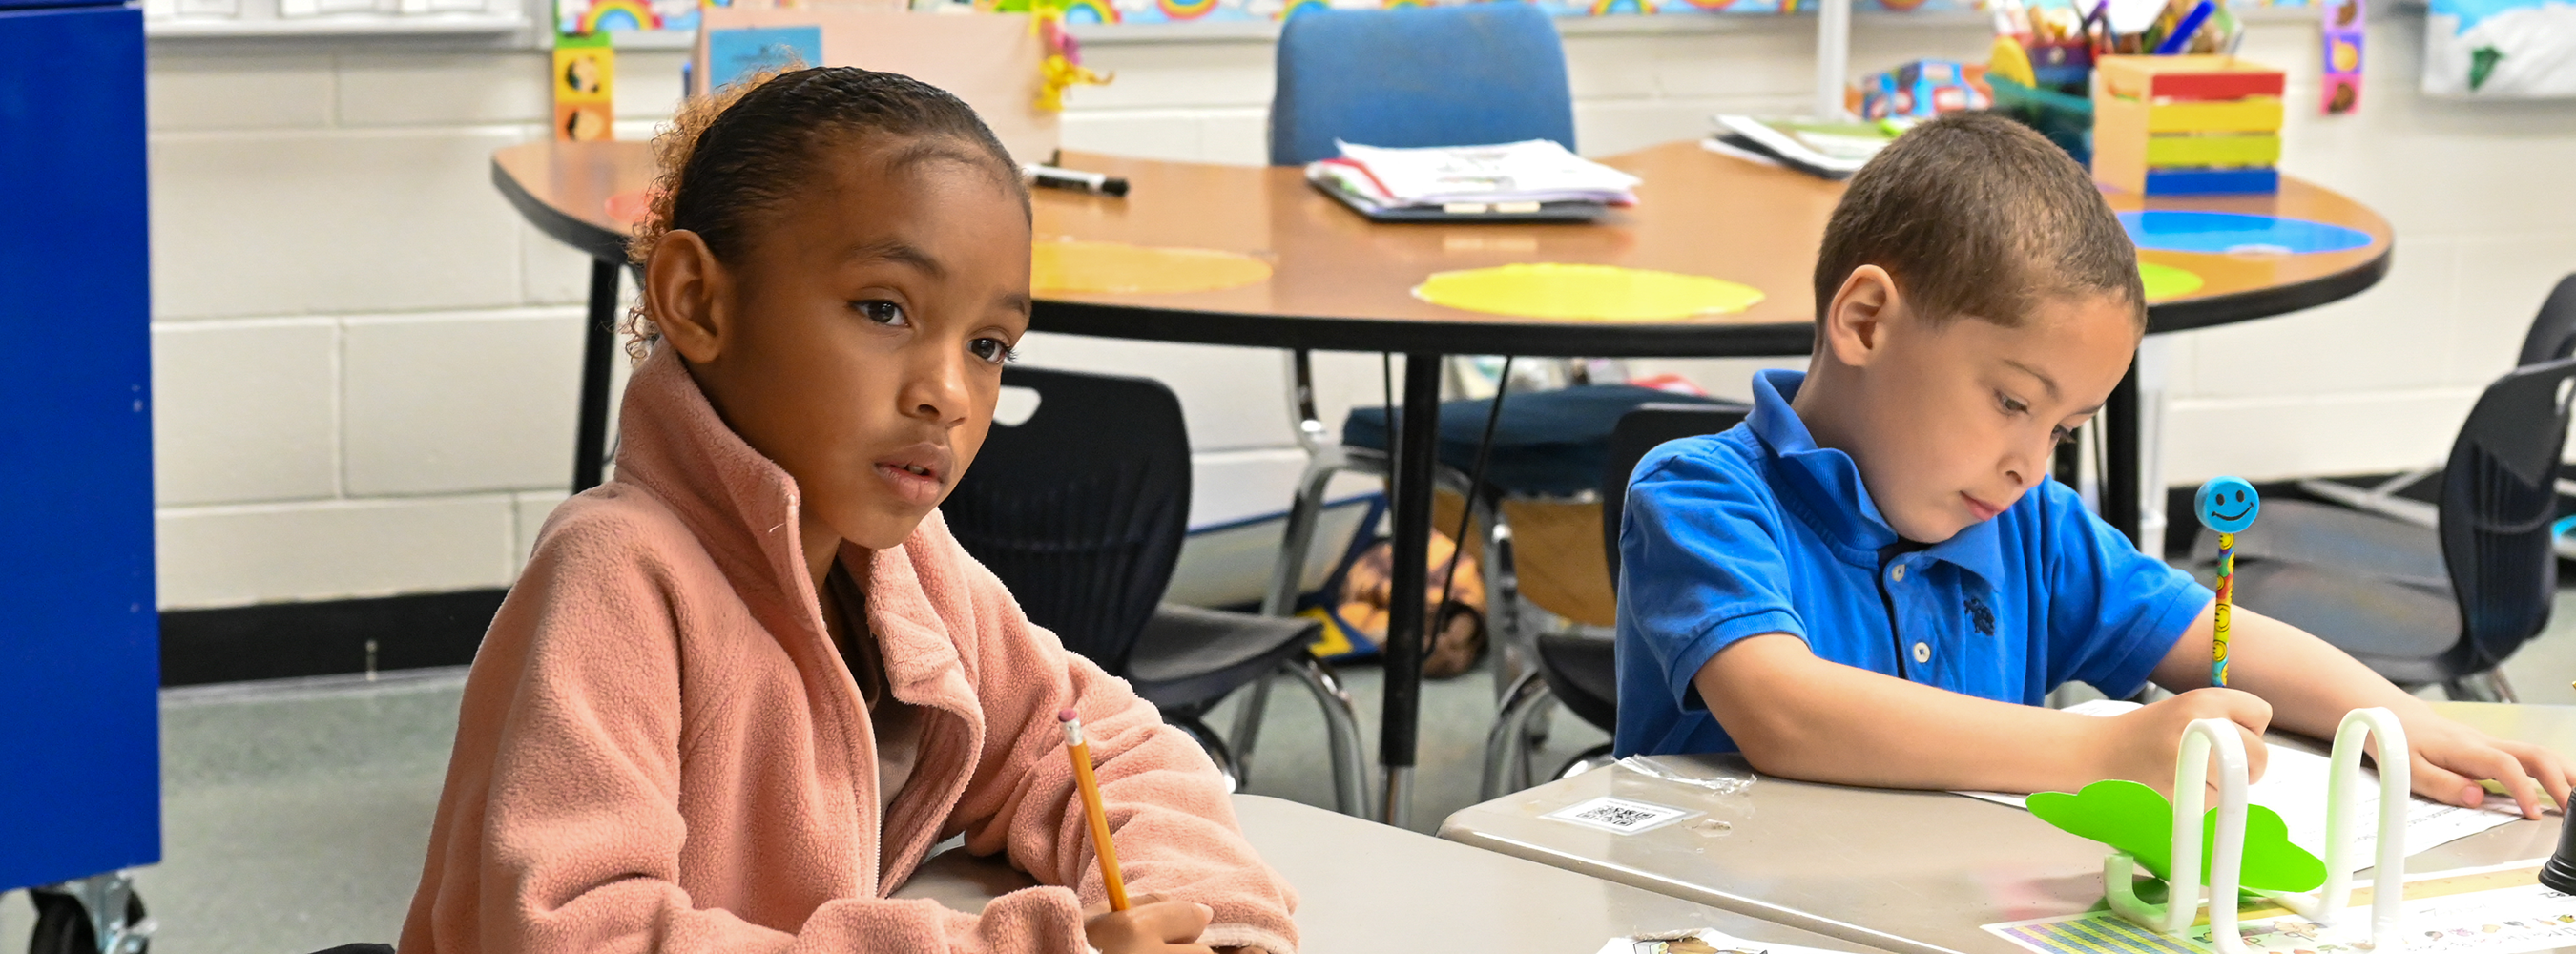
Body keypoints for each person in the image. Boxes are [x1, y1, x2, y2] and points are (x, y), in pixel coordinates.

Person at [399, 67, 1296, 954]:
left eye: (988, 346)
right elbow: (580, 937)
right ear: (698, 301)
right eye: (883, 309)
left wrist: (1204, 918)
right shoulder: (618, 576)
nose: (947, 393)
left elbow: (1099, 742)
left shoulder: (911, 572)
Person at [1612, 112, 2574, 815]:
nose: (2032, 461)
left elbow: (2216, 634)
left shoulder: (2026, 522)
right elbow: (1788, 714)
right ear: (1866, 322)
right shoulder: (1701, 495)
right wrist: (2104, 747)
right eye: (2013, 403)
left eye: (2065, 430)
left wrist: (2399, 716)